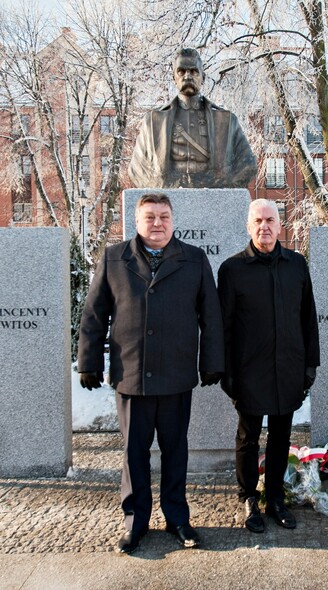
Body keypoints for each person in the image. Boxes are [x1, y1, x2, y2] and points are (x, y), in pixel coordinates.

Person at [77, 193, 224, 555]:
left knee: (175, 452)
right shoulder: (114, 258)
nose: (157, 224)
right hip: (132, 375)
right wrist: (89, 361)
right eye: (149, 217)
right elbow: (94, 315)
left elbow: (212, 317)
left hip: (176, 376)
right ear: (137, 221)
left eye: (163, 216)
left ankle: (177, 518)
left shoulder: (193, 259)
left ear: (173, 220)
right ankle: (135, 522)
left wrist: (212, 361)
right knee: (133, 453)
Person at [217, 199, 320, 533]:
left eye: (270, 220)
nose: (264, 226)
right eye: (258, 221)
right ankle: (249, 499)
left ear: (280, 225)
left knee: (281, 437)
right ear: (249, 226)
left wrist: (310, 365)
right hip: (249, 371)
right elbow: (224, 327)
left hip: (288, 367)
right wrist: (226, 373)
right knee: (248, 438)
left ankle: (274, 497)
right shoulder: (232, 270)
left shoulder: (296, 265)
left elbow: (308, 318)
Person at [127, 48, 258, 189]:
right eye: (181, 71)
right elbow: (136, 169)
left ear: (203, 77)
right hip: (166, 195)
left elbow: (248, 165)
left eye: (194, 71)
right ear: (174, 77)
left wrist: (218, 183)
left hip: (215, 198)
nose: (187, 76)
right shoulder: (153, 121)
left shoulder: (226, 121)